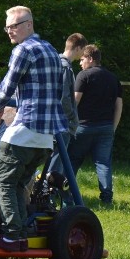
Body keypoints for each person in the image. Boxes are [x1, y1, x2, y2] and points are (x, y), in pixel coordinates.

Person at [0, 6, 67, 251]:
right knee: (17, 183)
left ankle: (12, 236)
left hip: (25, 129)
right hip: (46, 138)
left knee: (3, 180)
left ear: (29, 24)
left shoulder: (22, 50)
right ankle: (19, 232)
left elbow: (6, 89)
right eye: (7, 27)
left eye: (14, 26)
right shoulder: (51, 51)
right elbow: (51, 93)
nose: (10, 31)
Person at [66, 44, 123, 205]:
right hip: (106, 128)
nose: (80, 63)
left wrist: (67, 123)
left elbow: (75, 100)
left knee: (72, 160)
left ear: (91, 59)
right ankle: (106, 198)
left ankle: (66, 194)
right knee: (103, 163)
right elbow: (119, 105)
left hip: (83, 127)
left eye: (83, 59)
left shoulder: (84, 76)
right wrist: (113, 127)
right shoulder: (113, 78)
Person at [47, 32, 88, 174]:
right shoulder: (64, 67)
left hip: (53, 120)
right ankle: (48, 193)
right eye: (83, 50)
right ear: (78, 48)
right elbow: (63, 98)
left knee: (52, 160)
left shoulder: (55, 62)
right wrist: (72, 116)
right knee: (56, 163)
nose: (83, 54)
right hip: (61, 123)